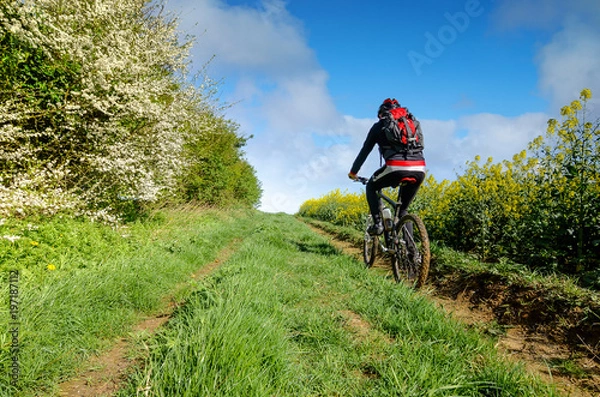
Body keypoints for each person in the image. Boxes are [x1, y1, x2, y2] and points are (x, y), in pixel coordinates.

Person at [348, 98, 426, 235]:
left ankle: (378, 224)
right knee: (403, 211)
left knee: (371, 186)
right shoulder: (411, 124)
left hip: (395, 168)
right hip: (419, 168)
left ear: (381, 114)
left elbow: (365, 151)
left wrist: (353, 172)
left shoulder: (379, 126)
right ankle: (413, 254)